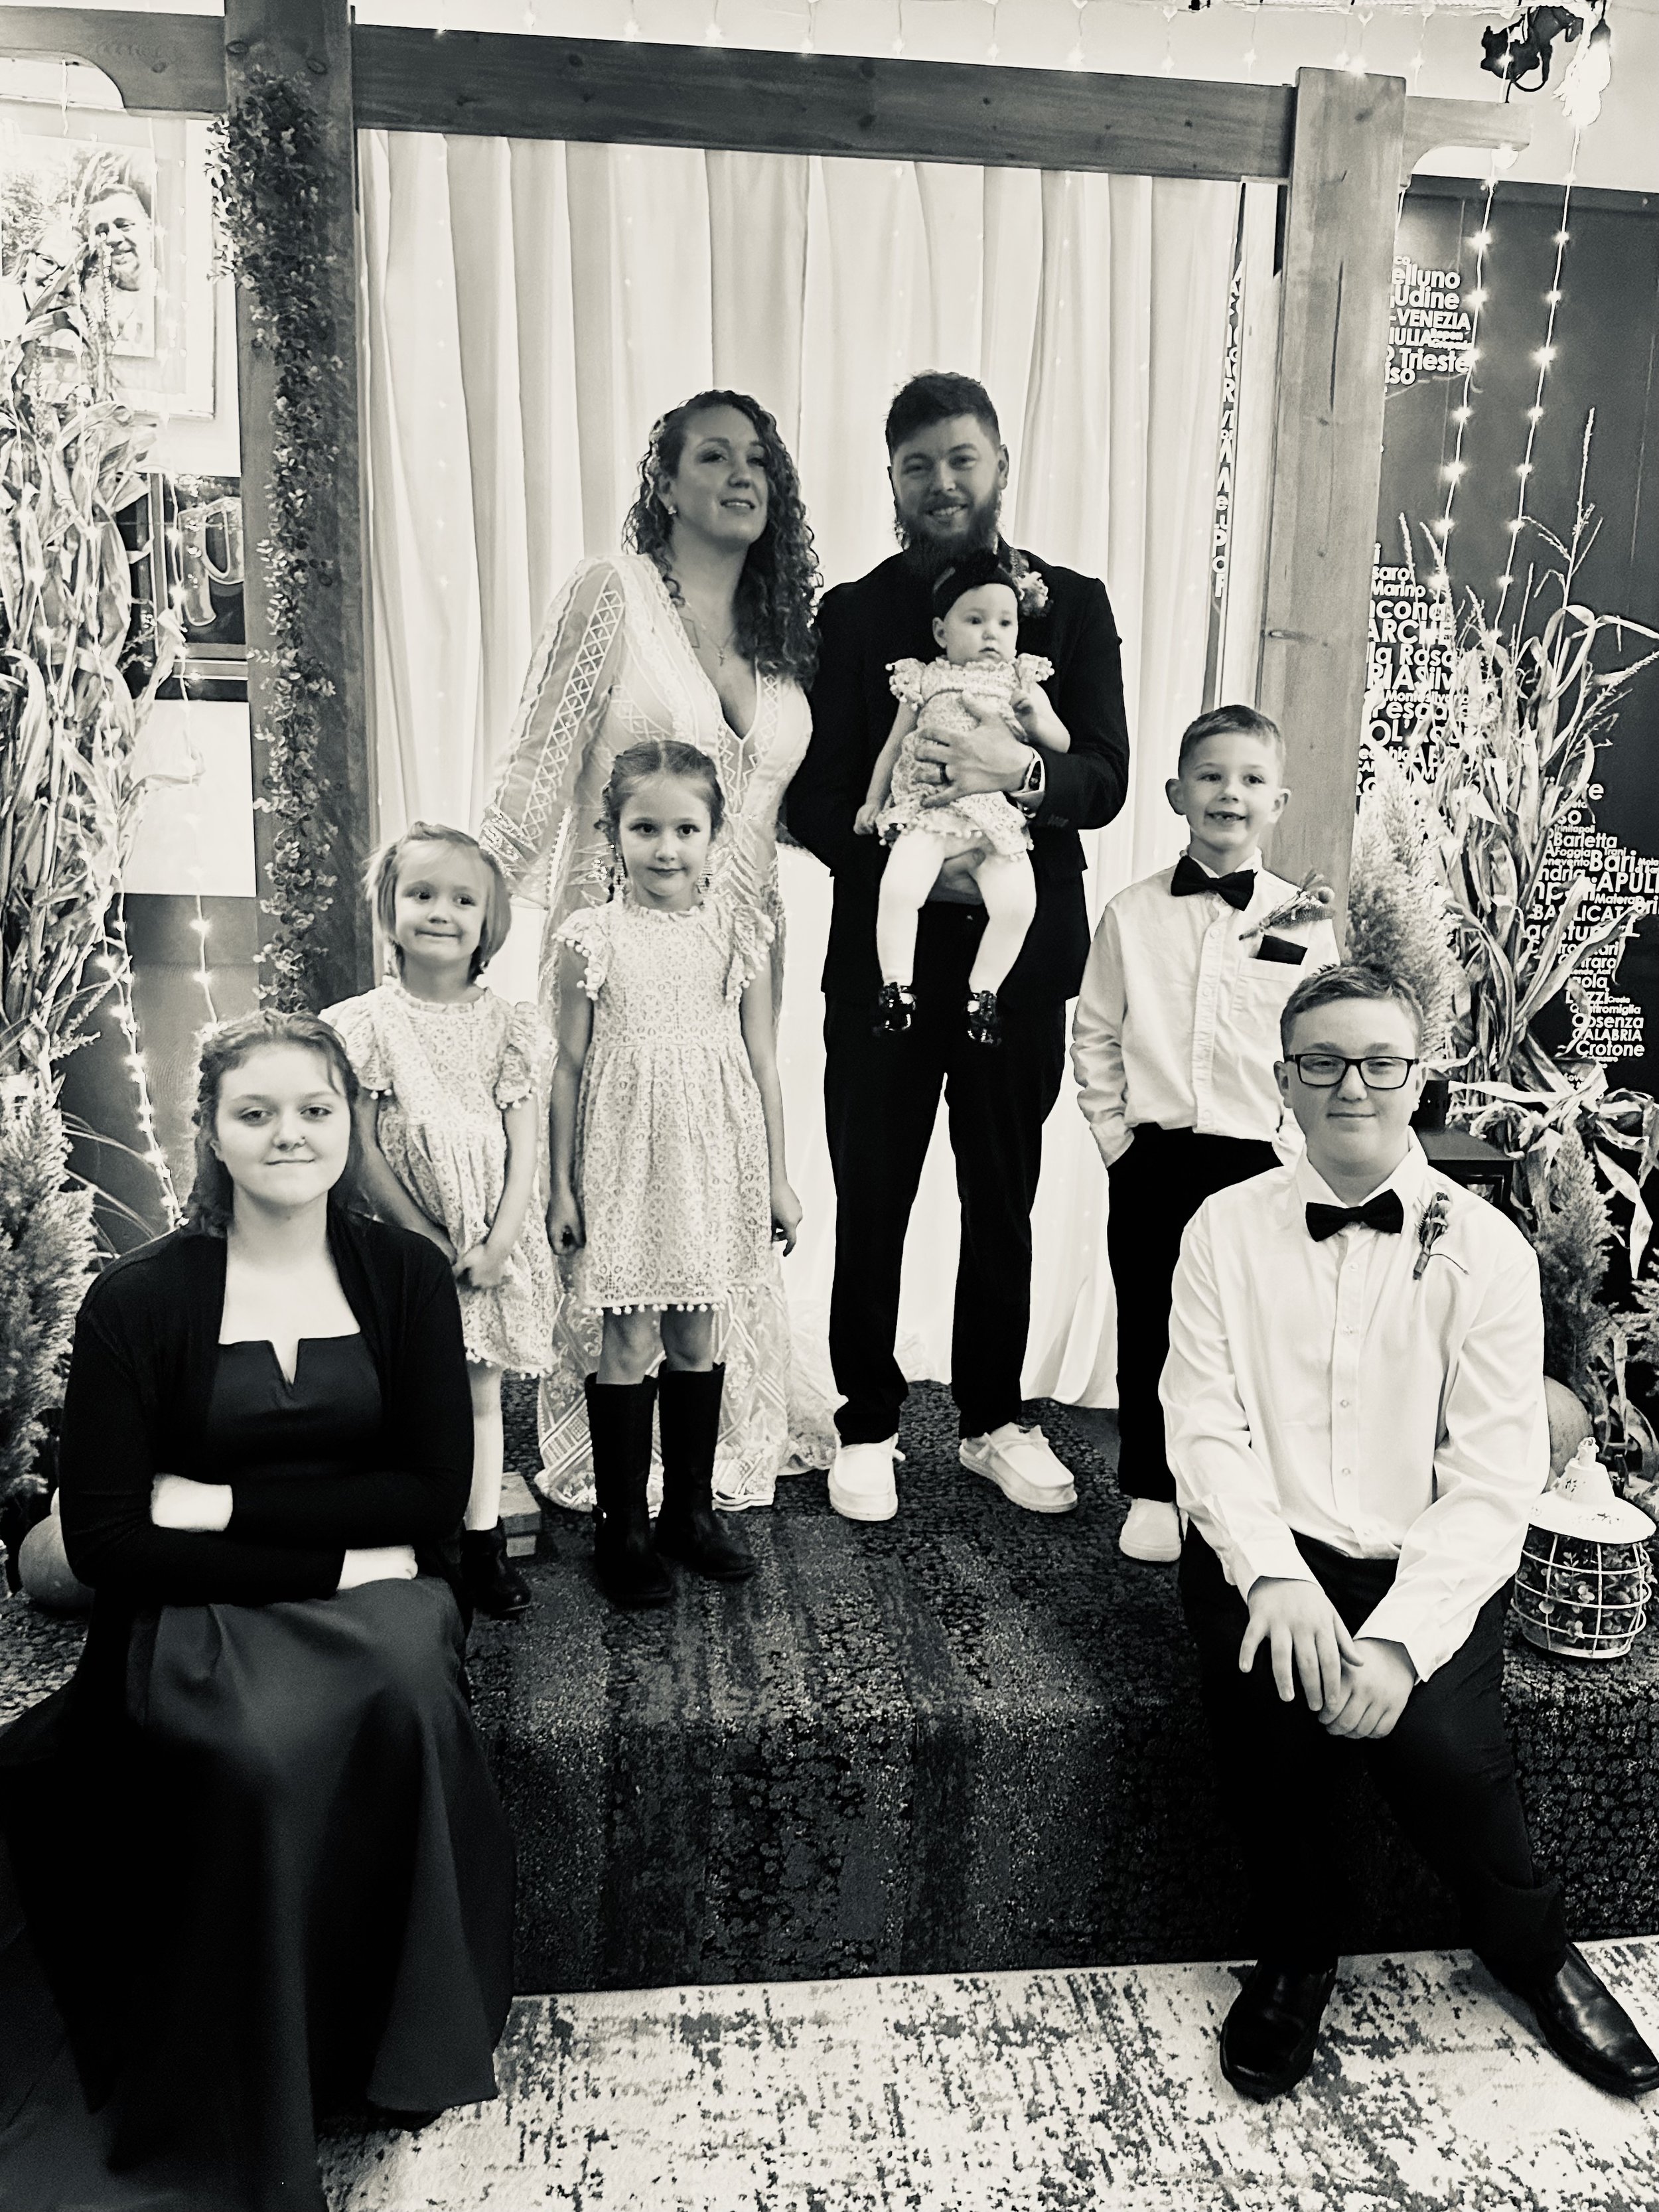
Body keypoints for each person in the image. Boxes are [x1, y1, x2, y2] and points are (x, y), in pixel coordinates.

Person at [0, 1011, 516, 2211]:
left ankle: (396, 2048)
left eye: (315, 1110)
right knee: (253, 1753)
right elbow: (120, 1539)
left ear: (352, 1122)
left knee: (401, 1692)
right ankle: (267, 2069)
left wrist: (216, 1499)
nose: (290, 1134)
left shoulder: (404, 1275)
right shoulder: (138, 1301)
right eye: (257, 1112)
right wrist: (335, 1552)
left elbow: (435, 1494)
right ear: (214, 1133)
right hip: (207, 1609)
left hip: (383, 1601)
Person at [1163, 963, 1659, 2104]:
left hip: (1424, 1551)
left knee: (1442, 1748)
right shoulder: (1220, 1230)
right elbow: (1202, 1424)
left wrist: (1396, 1641)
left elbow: (1492, 1472)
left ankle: (1535, 1953)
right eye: (1322, 1061)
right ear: (1284, 1079)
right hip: (1266, 1544)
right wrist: (1275, 1577)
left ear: (1416, 1076)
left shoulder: (1482, 1246)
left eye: (1379, 1061)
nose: (1352, 1084)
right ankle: (1294, 1959)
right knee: (1276, 1726)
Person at [479, 388, 833, 1513]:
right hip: (613, 948)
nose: (741, 476)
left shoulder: (784, 636)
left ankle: (714, 1458)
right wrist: (464, 896)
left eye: (759, 462)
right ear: (665, 482)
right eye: (713, 456)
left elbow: (771, 811)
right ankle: (614, 1475)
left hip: (737, 952)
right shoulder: (612, 594)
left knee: (721, 1183)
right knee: (619, 1200)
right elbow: (540, 764)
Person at [790, 370, 1129, 1522]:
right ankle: (867, 1422)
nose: (944, 482)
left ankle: (996, 1418)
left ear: (999, 464)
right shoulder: (854, 614)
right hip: (885, 948)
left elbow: (1105, 779)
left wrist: (1016, 777)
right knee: (873, 1185)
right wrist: (910, 846)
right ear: (891, 479)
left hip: (1018, 960)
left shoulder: (1071, 605)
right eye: (918, 464)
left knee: (1005, 1186)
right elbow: (819, 793)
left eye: (963, 458)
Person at [1072, 704, 1339, 1564]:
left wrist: (1295, 1159)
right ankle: (1153, 1487)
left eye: (1252, 780)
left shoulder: (1302, 921)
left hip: (1260, 1161)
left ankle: (1238, 1490)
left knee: (1251, 1332)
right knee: (1151, 1320)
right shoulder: (1130, 914)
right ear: (1176, 793)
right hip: (1156, 1157)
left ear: (1279, 800)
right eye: (1213, 776)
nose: (1232, 792)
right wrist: (1117, 1141)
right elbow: (1096, 1031)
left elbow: (1318, 1049)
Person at [547, 740, 800, 1607]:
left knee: (698, 1333)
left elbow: (765, 1060)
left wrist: (777, 1177)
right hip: (622, 1153)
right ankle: (623, 1525)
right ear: (612, 833)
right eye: (644, 827)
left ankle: (689, 1513)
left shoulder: (739, 931)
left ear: (714, 834)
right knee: (628, 1339)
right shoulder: (591, 939)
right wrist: (560, 1186)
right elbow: (569, 1069)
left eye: (685, 829)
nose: (665, 848)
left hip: (712, 1151)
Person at [325, 821, 557, 1620]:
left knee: (479, 1391)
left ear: (488, 923)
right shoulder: (365, 1024)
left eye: (463, 901)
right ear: (389, 910)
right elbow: (359, 1142)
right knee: (407, 1394)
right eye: (421, 895)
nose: (440, 913)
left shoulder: (510, 1024)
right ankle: (421, 1538)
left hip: (487, 1235)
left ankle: (482, 1538)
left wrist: (498, 1241)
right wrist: (418, 1235)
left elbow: (525, 1143)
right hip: (404, 1234)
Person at [857, 548, 1069, 1046]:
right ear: (941, 632)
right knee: (900, 889)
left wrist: (1035, 719)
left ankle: (984, 993)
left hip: (994, 818)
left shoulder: (1024, 681)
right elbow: (891, 749)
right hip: (928, 810)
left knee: (1018, 904)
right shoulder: (925, 678)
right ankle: (896, 987)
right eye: (975, 620)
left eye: (1005, 622)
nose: (992, 634)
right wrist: (873, 801)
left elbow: (1061, 745)